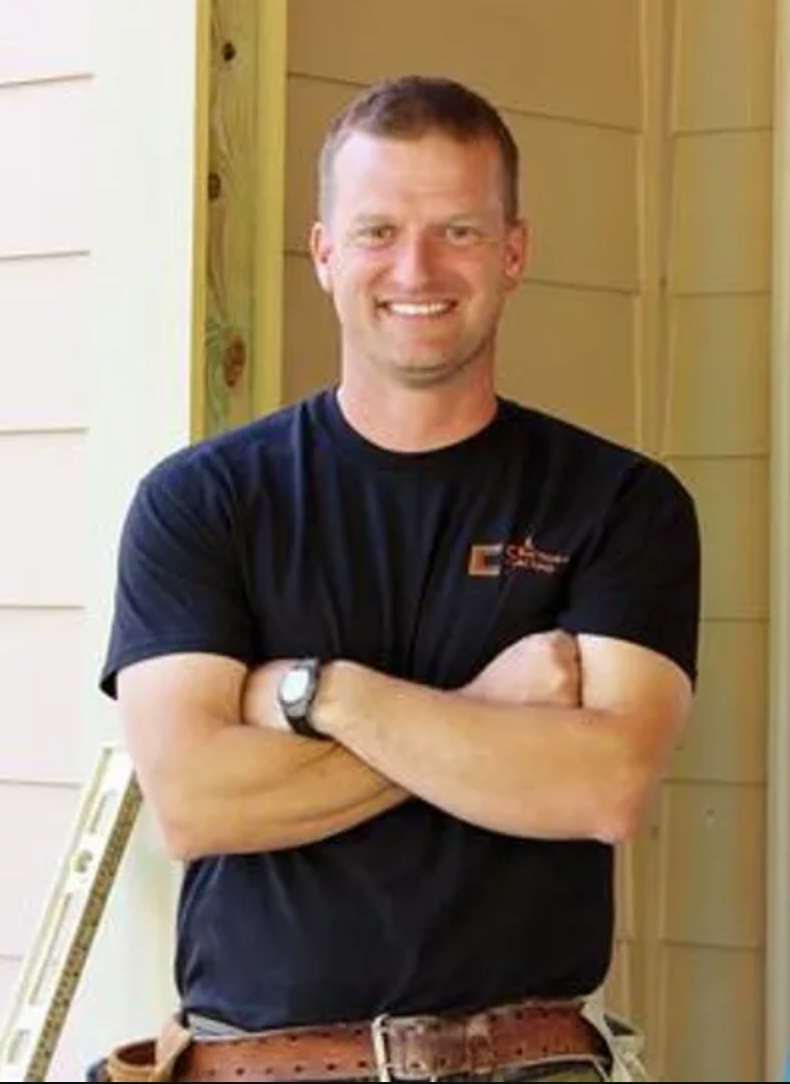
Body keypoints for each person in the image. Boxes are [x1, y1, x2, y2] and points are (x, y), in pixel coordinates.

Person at [91, 75, 700, 1083]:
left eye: (457, 230)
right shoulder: (202, 503)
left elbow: (602, 782)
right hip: (264, 1067)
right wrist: (483, 711)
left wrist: (315, 697)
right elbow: (197, 799)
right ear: (325, 254)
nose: (414, 267)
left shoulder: (619, 504)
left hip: (527, 1064)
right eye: (376, 231)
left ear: (512, 251)